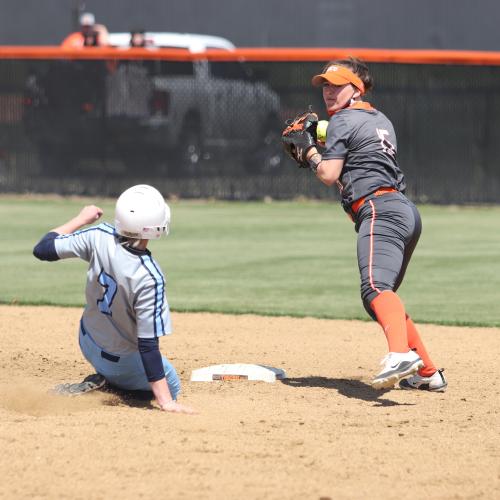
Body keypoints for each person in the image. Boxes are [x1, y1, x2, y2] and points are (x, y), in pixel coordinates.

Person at [284, 57, 447, 391]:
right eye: (325, 85)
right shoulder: (380, 119)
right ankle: (427, 372)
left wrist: (310, 153)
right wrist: (317, 138)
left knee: (375, 289)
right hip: (403, 211)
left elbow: (329, 174)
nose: (329, 91)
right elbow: (353, 175)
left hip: (381, 210)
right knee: (379, 296)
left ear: (355, 89)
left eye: (337, 84)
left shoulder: (343, 119)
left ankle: (400, 355)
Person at [33, 184, 196, 413]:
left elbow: (43, 249)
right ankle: (111, 386)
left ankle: (107, 378)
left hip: (87, 340)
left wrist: (81, 218)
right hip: (121, 362)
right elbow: (148, 346)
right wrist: (166, 402)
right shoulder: (150, 276)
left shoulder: (98, 235)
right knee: (172, 384)